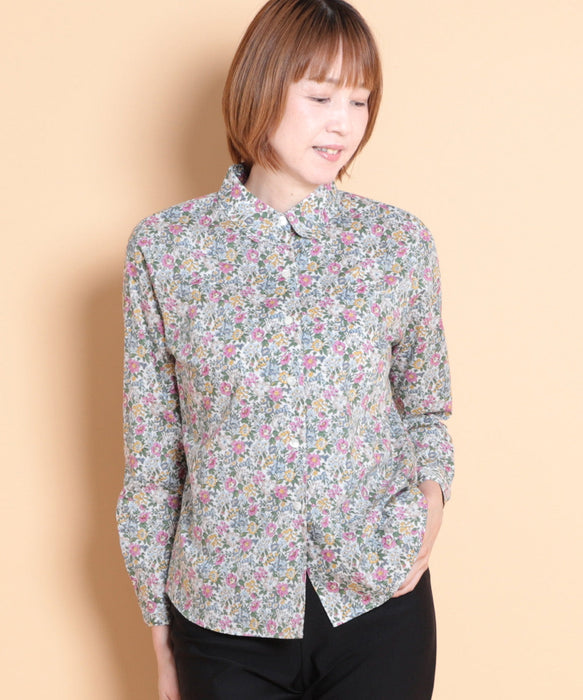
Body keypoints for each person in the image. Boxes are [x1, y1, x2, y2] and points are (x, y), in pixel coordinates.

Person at [116, 0, 454, 698]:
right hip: (220, 616)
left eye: (360, 101)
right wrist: (158, 628)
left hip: (377, 601)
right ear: (261, 89)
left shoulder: (397, 244)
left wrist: (428, 509)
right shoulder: (166, 251)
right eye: (321, 97)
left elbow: (425, 408)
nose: (344, 124)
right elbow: (153, 455)